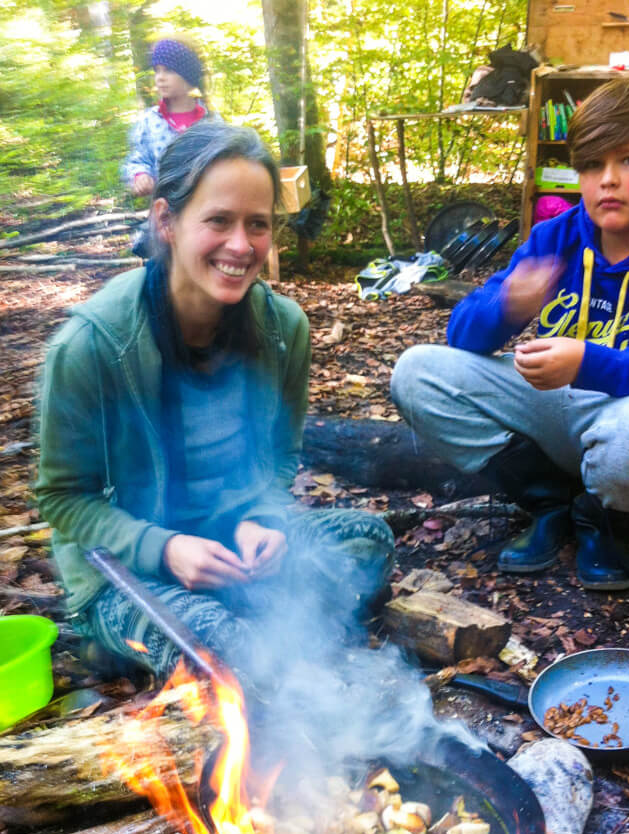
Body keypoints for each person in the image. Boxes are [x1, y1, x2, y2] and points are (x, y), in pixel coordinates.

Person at [36, 121, 394, 688]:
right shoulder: (92, 346)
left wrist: (262, 518)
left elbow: (281, 458)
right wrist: (165, 549)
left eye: (258, 224)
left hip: (231, 550)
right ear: (166, 221)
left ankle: (230, 624)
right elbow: (63, 500)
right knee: (229, 652)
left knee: (368, 541)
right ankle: (141, 632)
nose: (241, 246)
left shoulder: (282, 330)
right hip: (130, 568)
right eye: (219, 221)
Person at [391, 69, 629, 590]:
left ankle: (604, 517)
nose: (607, 180)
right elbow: (461, 337)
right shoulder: (556, 236)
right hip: (561, 406)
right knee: (417, 372)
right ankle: (550, 503)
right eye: (591, 164)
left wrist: (590, 363)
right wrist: (507, 306)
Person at [123, 36, 212, 198]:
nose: (160, 77)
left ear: (188, 77)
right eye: (157, 70)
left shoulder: (210, 122)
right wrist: (140, 176)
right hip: (164, 207)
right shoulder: (149, 121)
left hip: (205, 205)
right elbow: (138, 159)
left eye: (169, 70)